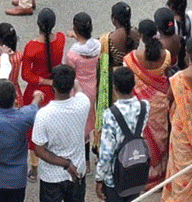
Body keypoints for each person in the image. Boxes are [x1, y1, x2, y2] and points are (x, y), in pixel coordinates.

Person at [31, 63, 90, 202]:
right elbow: (79, 88)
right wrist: (73, 80)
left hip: (52, 177)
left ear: (53, 87)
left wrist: (66, 164)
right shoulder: (83, 104)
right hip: (78, 173)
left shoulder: (44, 114)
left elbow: (39, 150)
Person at [124, 20, 171, 188]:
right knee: (160, 138)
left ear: (142, 37)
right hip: (160, 103)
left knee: (142, 139)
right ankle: (159, 175)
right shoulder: (166, 54)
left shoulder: (131, 59)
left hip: (140, 105)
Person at [162, 34, 192, 202]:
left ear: (186, 52)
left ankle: (181, 196)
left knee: (181, 163)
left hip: (182, 125)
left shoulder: (178, 78)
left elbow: (168, 98)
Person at [0, 79, 44, 202]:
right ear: (15, 97)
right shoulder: (24, 116)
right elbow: (34, 106)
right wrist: (37, 95)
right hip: (18, 179)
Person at [95, 66, 143, 202]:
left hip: (115, 177)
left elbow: (106, 152)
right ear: (133, 85)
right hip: (136, 170)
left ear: (114, 88)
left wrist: (99, 178)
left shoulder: (110, 115)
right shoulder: (144, 107)